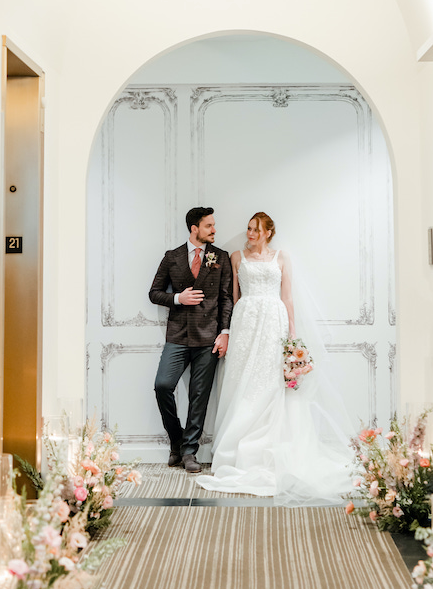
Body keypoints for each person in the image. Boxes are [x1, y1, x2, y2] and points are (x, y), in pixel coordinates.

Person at [196, 212, 353, 505]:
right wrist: (228, 329)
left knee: (270, 381)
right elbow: (232, 296)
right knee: (244, 380)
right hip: (245, 322)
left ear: (268, 232)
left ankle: (270, 447)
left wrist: (293, 339)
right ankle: (234, 448)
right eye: (248, 228)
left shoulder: (282, 257)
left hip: (274, 322)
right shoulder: (235, 257)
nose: (250, 233)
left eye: (256, 229)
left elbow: (288, 298)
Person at [149, 207, 233, 473]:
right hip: (178, 335)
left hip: (209, 338)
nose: (214, 230)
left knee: (199, 397)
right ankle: (176, 440)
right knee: (162, 385)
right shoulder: (172, 257)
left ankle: (188, 452)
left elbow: (225, 298)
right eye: (209, 226)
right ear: (194, 228)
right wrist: (178, 298)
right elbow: (154, 293)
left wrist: (225, 333)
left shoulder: (220, 257)